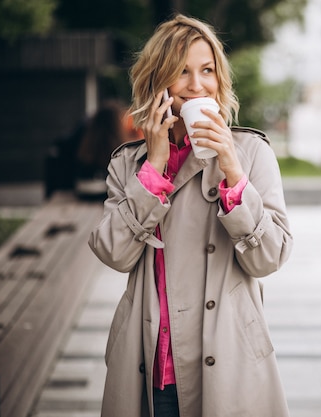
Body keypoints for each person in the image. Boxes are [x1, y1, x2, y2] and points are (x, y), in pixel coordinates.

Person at [88, 14, 293, 417]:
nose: (197, 85)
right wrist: (156, 165)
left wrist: (232, 169)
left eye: (207, 71)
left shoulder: (251, 153)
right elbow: (114, 253)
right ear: (157, 81)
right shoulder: (129, 165)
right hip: (151, 367)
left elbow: (268, 258)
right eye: (181, 72)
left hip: (229, 364)